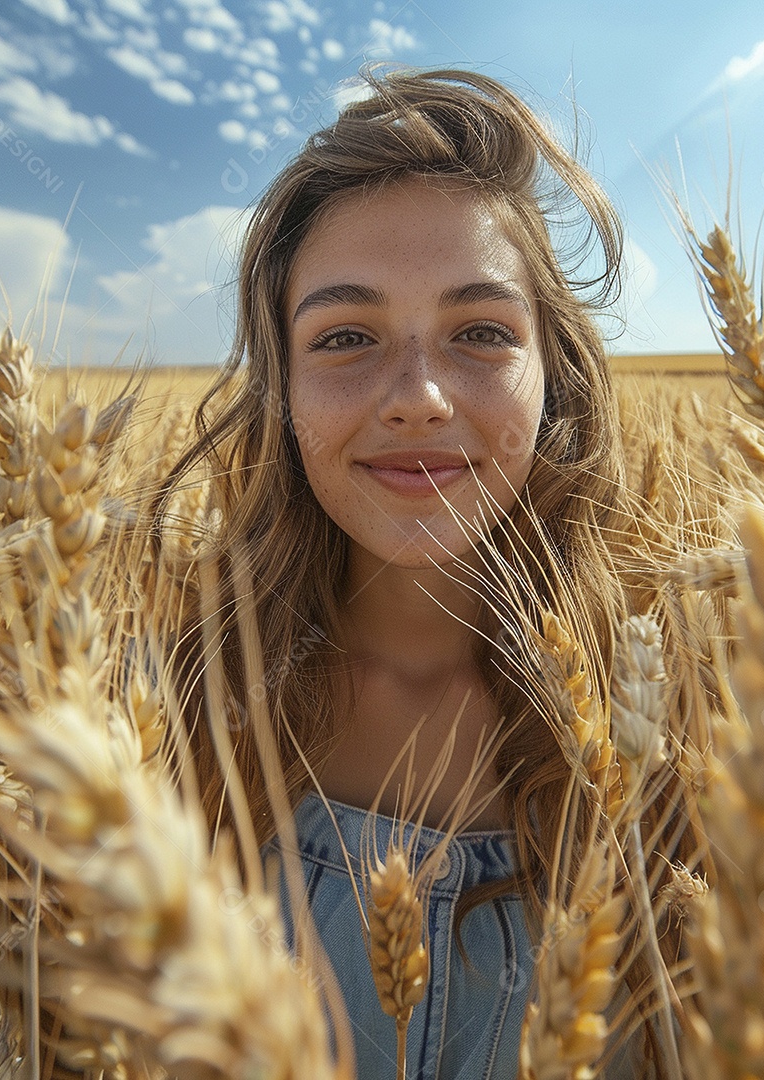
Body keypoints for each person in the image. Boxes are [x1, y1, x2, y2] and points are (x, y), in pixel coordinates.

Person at [155, 67, 664, 1079]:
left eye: (481, 331)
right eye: (346, 337)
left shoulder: (685, 730)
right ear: (281, 385)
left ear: (553, 370)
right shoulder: (174, 712)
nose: (419, 397)